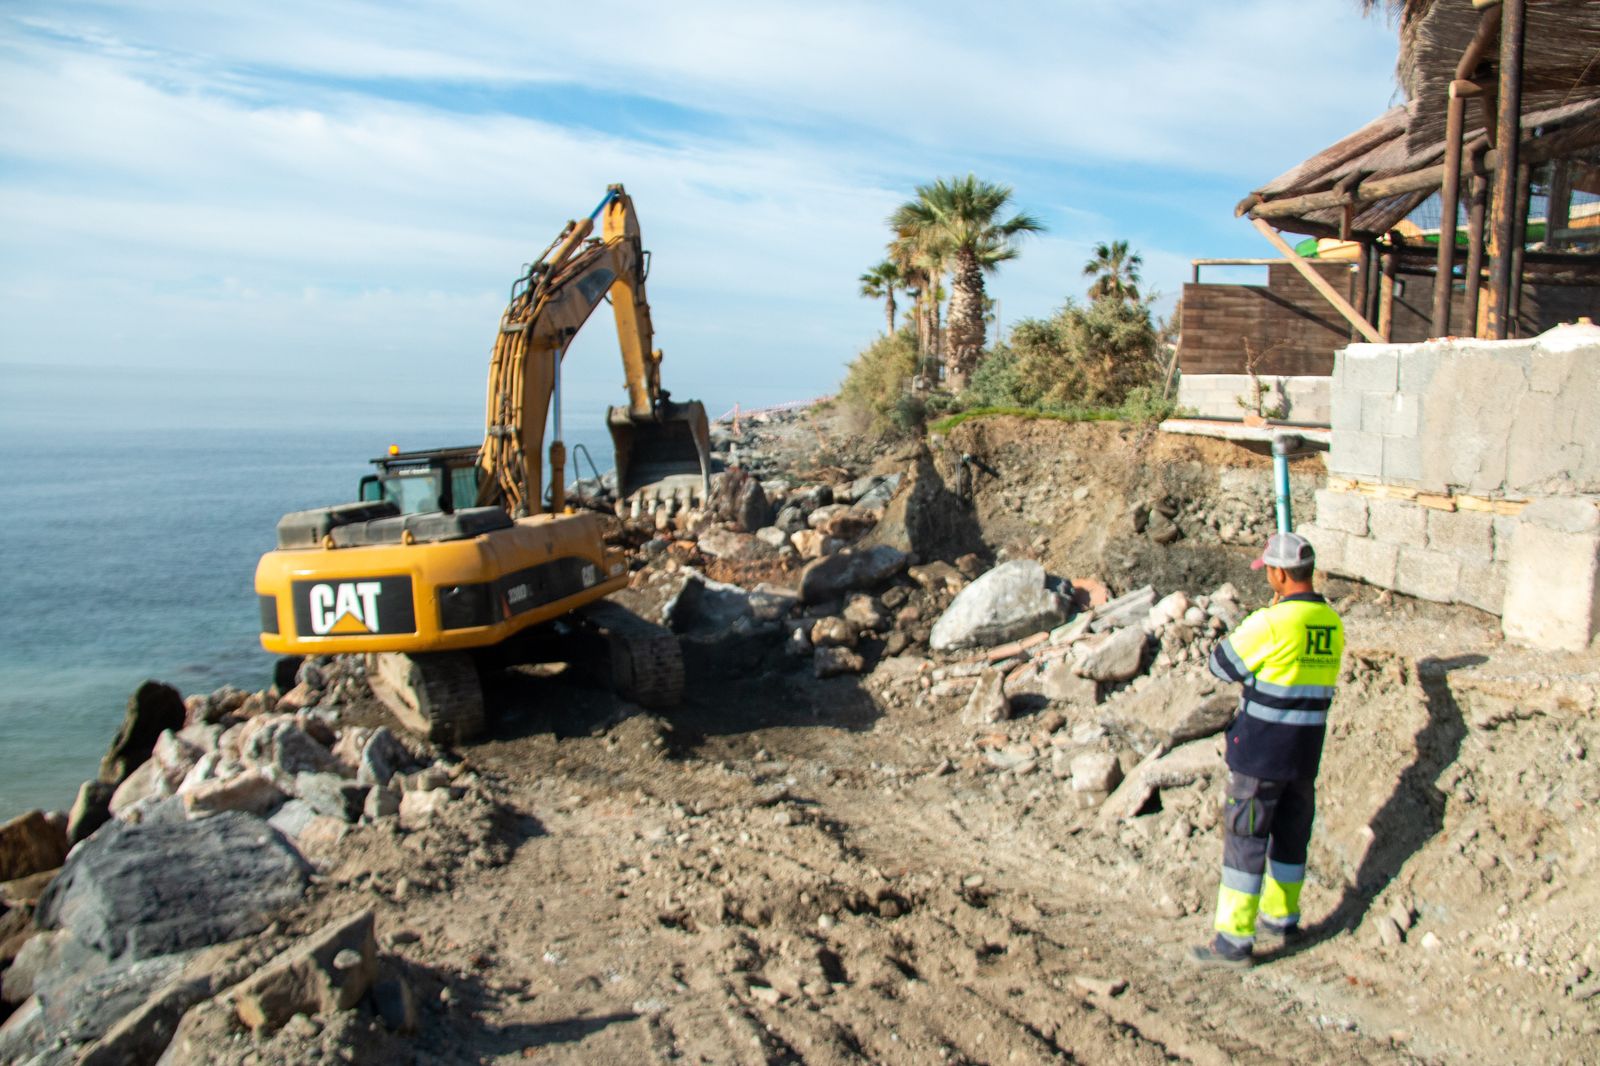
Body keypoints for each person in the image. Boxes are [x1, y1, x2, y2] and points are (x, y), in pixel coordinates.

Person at [1190, 531, 1345, 968]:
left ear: (1279, 573)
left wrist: (1259, 624)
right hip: (1305, 752)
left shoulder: (1272, 622)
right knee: (1292, 839)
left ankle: (1234, 941)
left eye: (1268, 573)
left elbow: (1221, 665)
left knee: (1245, 842)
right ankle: (1282, 918)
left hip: (1260, 753)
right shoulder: (1331, 623)